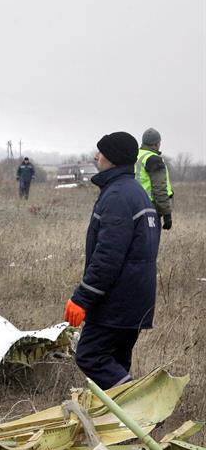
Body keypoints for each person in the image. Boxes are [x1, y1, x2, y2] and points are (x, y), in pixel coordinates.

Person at [63, 132, 160, 389]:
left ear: (113, 158)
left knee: (90, 356)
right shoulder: (137, 192)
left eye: (101, 152)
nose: (96, 157)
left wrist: (82, 298)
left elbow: (108, 257)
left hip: (117, 303)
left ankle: (139, 407)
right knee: (116, 361)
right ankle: (124, 427)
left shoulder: (117, 196)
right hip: (136, 300)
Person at [136, 128, 173, 231]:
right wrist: (166, 214)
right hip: (149, 207)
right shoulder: (153, 159)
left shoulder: (135, 156)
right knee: (149, 243)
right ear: (157, 144)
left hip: (132, 204)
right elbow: (159, 188)